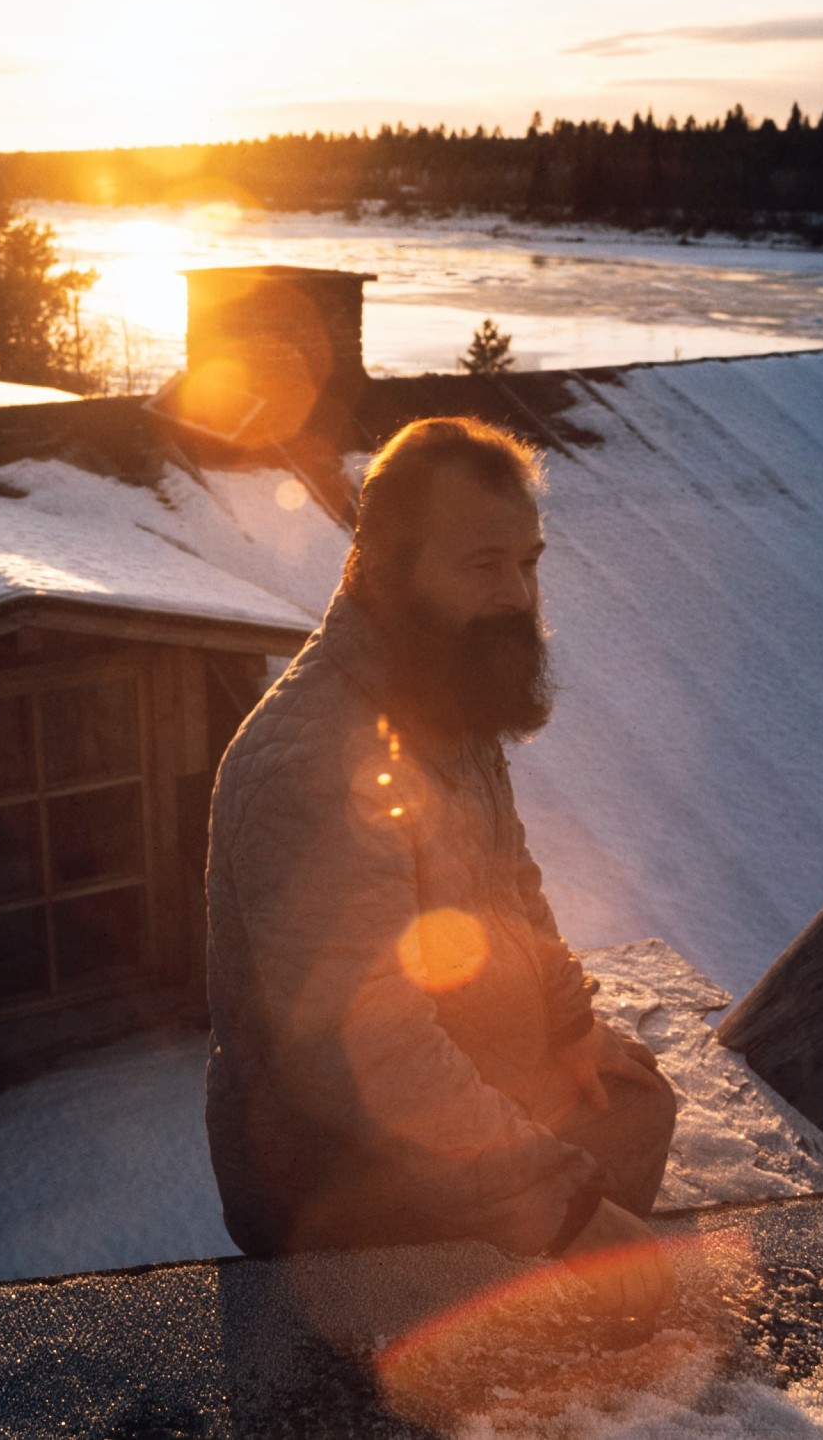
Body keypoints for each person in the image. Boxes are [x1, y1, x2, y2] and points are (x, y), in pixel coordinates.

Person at [204, 415, 679, 1318]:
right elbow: (360, 1048)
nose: (517, 594)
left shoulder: (441, 691)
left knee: (636, 1099)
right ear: (388, 566)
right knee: (610, 1192)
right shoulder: (312, 760)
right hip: (334, 1166)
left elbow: (511, 888)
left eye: (528, 562)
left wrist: (572, 1025)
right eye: (482, 565)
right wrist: (567, 1208)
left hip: (456, 1071)